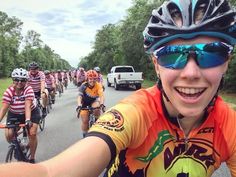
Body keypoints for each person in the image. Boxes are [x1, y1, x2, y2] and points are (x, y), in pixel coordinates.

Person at [0, 0, 236, 176]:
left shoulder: (230, 125)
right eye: (172, 55)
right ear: (156, 65)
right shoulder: (136, 112)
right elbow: (50, 172)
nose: (191, 73)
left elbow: (100, 94)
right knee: (84, 114)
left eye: (211, 53)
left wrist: (98, 103)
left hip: (93, 98)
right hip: (86, 102)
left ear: (227, 61)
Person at [0, 68, 41, 164]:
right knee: (9, 135)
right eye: (16, 79)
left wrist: (27, 120)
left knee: (32, 133)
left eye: (22, 80)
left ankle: (32, 158)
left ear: (26, 81)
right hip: (14, 113)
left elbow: (27, 105)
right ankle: (21, 146)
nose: (19, 82)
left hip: (31, 112)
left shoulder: (28, 89)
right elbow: (4, 108)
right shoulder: (9, 91)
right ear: (13, 80)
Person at [76, 69, 105, 138]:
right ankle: (85, 135)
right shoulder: (83, 85)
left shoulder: (98, 85)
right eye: (90, 79)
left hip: (94, 101)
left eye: (94, 79)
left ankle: (96, 120)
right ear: (87, 79)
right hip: (84, 102)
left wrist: (102, 104)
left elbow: (101, 96)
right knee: (85, 121)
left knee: (97, 108)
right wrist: (79, 105)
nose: (92, 80)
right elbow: (79, 96)